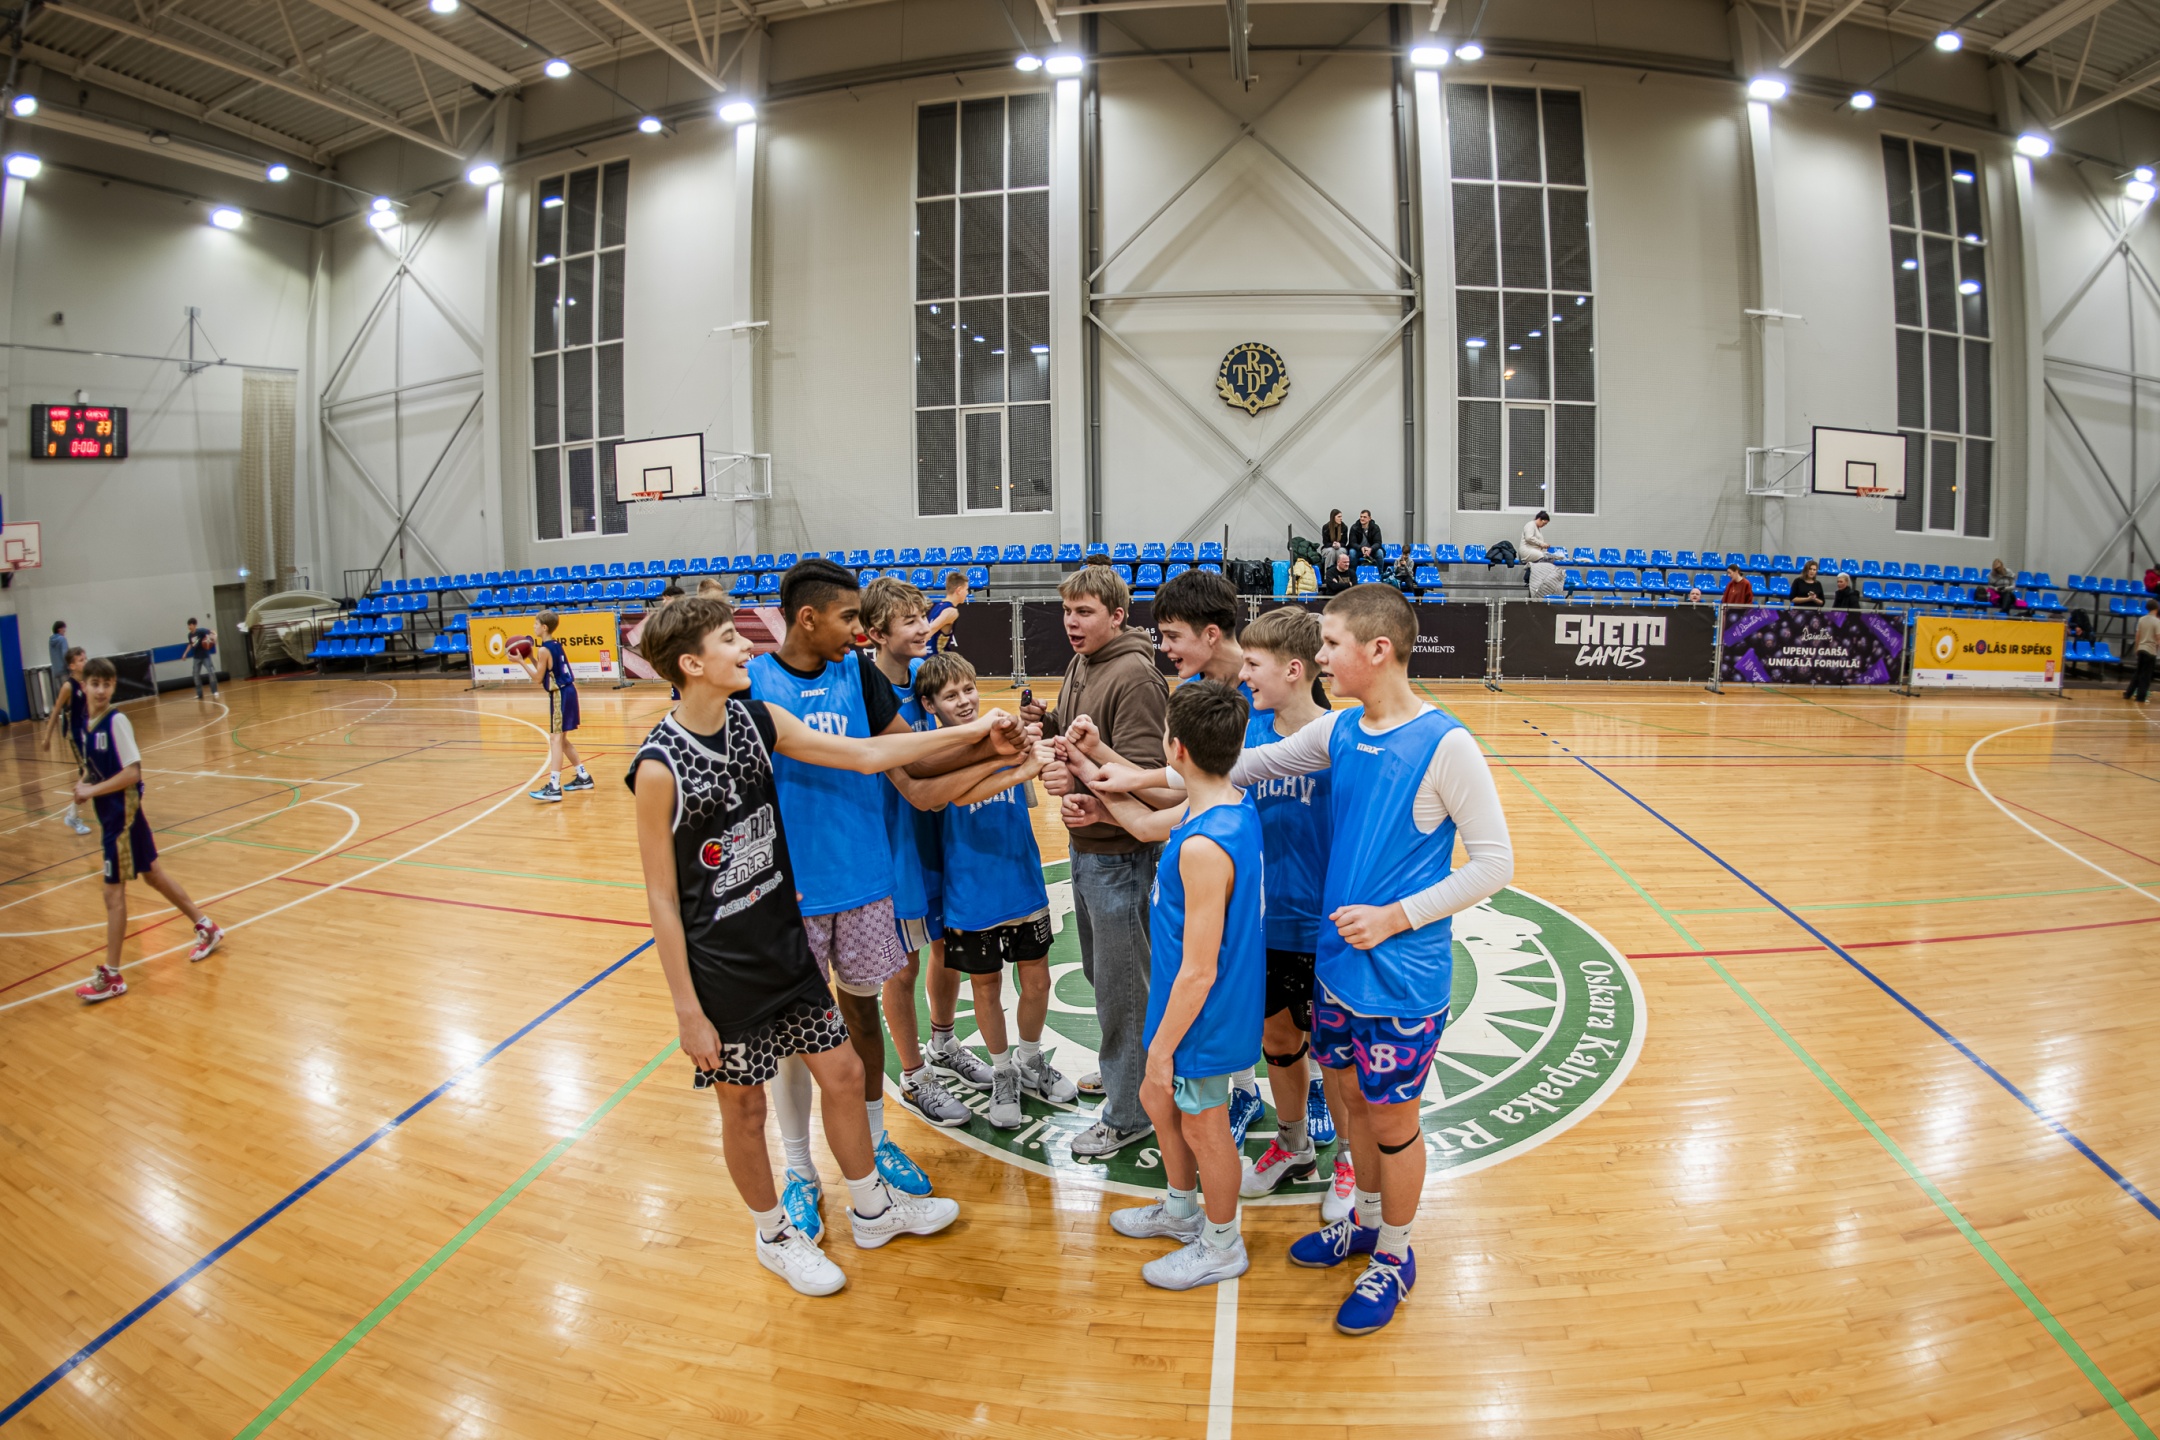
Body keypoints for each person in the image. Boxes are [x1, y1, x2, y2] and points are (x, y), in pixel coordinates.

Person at [1085, 584, 1515, 1335]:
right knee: (1350, 1104)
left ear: (1378, 650)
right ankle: (1364, 1224)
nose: (1321, 656)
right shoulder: (1342, 730)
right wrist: (1118, 773)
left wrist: (1396, 917)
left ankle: (1395, 1256)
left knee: (1394, 1123)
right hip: (1337, 965)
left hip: (1402, 979)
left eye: (1333, 644)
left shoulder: (1446, 744)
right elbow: (1240, 766)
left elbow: (1495, 863)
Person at [629, 596, 973, 1296]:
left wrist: (971, 733)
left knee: (843, 1075)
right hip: (723, 969)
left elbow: (865, 753)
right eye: (729, 641)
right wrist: (688, 1012)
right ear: (692, 663)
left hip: (785, 941)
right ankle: (774, 1235)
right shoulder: (659, 766)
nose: (746, 649)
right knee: (744, 1109)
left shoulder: (758, 721)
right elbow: (662, 899)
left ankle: (872, 1210)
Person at [750, 558, 1025, 1230]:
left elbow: (915, 759)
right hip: (791, 892)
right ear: (808, 618)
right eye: (848, 618)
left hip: (865, 881)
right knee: (792, 1039)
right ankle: (798, 1169)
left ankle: (873, 1142)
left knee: (863, 1013)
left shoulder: (859, 675)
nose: (857, 630)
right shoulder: (755, 684)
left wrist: (995, 747)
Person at [1084, 681, 1264, 1291]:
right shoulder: (1212, 806)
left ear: (1175, 747)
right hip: (1182, 997)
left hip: (1205, 1009)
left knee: (1205, 1125)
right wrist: (1085, 768)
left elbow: (1200, 969)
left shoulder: (1206, 846)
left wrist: (1160, 1050)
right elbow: (1141, 824)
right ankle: (1183, 1211)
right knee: (1160, 1102)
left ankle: (1222, 1243)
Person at [1021, 561, 1170, 1160]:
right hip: (1088, 849)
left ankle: (1130, 1113)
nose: (1071, 622)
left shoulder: (1135, 676)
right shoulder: (1085, 662)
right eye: (1067, 611)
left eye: (1084, 612)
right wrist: (1049, 725)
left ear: (1117, 615)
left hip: (1121, 855)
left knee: (1123, 990)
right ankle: (1124, 1075)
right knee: (1104, 977)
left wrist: (1089, 798)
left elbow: (1142, 778)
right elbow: (1084, 740)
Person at [858, 577, 1009, 1130]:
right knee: (902, 966)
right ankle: (914, 1073)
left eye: (925, 617)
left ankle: (943, 1043)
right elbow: (914, 770)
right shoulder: (867, 689)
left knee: (947, 949)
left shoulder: (926, 677)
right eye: (912, 621)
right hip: (894, 844)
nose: (926, 626)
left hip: (942, 836)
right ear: (877, 633)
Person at [915, 651, 1078, 1126]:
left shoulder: (1006, 736)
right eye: (951, 695)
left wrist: (1039, 736)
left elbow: (1037, 787)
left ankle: (1030, 1060)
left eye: (969, 689)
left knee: (1038, 980)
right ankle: (1003, 1070)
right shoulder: (931, 758)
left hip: (1021, 879)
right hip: (970, 892)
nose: (965, 700)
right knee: (985, 987)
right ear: (930, 705)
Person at [69, 657, 226, 1003]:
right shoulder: (85, 725)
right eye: (95, 683)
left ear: (113, 687)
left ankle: (112, 976)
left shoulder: (117, 722)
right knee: (153, 875)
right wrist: (83, 783)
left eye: (107, 684)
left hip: (122, 819)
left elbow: (132, 773)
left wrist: (90, 791)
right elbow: (95, 767)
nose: (100, 690)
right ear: (84, 686)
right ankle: (207, 927)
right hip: (115, 817)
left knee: (112, 895)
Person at [517, 611, 592, 802]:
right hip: (568, 691)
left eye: (536, 624)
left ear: (544, 627)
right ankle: (583, 776)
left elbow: (537, 678)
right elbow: (545, 671)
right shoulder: (554, 645)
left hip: (560, 695)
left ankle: (554, 787)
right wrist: (531, 657)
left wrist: (521, 662)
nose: (533, 627)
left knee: (555, 739)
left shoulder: (544, 650)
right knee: (562, 740)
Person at [40, 645, 95, 836]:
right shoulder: (68, 686)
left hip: (89, 732)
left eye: (85, 658)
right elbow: (56, 711)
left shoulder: (88, 682)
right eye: (81, 660)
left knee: (94, 772)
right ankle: (72, 815)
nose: (85, 662)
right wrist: (47, 737)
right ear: (72, 666)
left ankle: (87, 809)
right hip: (75, 735)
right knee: (88, 773)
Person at [924, 570, 968, 656]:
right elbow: (930, 630)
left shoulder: (937, 606)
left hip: (927, 656)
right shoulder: (951, 611)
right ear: (959, 590)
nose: (967, 593)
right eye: (966, 589)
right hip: (936, 659)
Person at [2126, 598, 2159, 703]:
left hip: (2141, 648)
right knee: (2146, 675)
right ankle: (2141, 697)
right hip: (2150, 650)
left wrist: (2137, 648)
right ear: (2157, 608)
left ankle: (2128, 693)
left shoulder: (2141, 619)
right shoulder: (2157, 621)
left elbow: (2137, 636)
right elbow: (2158, 638)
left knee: (2138, 672)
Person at [184, 617, 220, 699]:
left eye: (190, 625)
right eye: (188, 625)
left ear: (194, 625)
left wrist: (214, 638)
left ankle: (215, 691)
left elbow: (212, 632)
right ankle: (199, 694)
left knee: (211, 672)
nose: (189, 627)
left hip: (205, 656)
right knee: (196, 675)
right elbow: (190, 644)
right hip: (196, 657)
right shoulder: (190, 635)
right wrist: (185, 653)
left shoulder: (201, 631)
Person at [49, 620, 70, 686]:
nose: (65, 631)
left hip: (55, 671)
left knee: (61, 691)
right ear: (59, 629)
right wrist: (69, 666)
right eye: (64, 629)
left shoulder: (51, 641)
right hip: (64, 671)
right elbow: (65, 654)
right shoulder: (62, 639)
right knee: (68, 690)